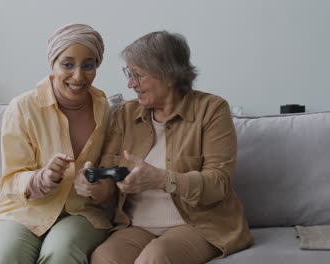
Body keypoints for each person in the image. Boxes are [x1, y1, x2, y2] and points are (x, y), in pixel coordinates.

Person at [89, 31, 253, 264]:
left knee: (156, 257)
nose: (130, 84)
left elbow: (219, 183)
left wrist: (162, 179)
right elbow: (108, 179)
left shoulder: (212, 109)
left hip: (196, 225)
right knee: (104, 258)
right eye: (129, 73)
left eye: (137, 75)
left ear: (168, 75)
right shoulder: (126, 114)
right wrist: (92, 186)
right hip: (136, 226)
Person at [0, 24, 115, 264]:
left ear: (97, 66)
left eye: (88, 65)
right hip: (22, 210)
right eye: (67, 64)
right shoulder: (23, 107)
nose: (78, 75)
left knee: (61, 254)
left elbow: (110, 173)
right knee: (5, 256)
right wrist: (41, 179)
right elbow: (11, 179)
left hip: (81, 213)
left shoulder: (104, 109)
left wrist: (98, 187)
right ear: (52, 64)